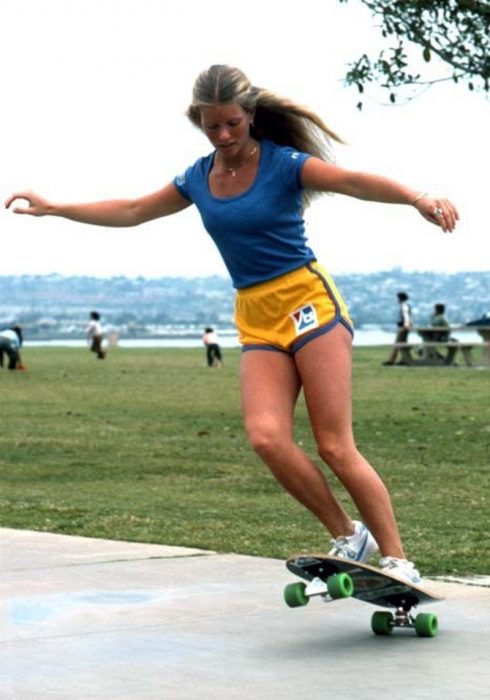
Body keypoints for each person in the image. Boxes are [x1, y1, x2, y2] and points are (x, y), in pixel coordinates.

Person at [5, 64, 459, 584]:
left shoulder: (285, 165)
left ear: (250, 117)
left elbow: (353, 181)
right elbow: (132, 209)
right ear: (198, 121)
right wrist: (57, 207)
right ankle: (347, 533)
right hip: (256, 313)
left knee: (335, 444)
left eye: (232, 125)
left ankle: (399, 559)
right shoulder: (198, 178)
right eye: (211, 126)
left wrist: (416, 198)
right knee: (266, 438)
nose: (222, 136)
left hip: (309, 303)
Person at [383, 292, 413, 366]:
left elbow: (406, 315)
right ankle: (404, 359)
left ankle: (391, 360)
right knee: (403, 343)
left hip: (403, 326)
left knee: (397, 343)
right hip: (406, 325)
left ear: (400, 298)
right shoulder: (406, 305)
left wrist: (406, 324)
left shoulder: (404, 305)